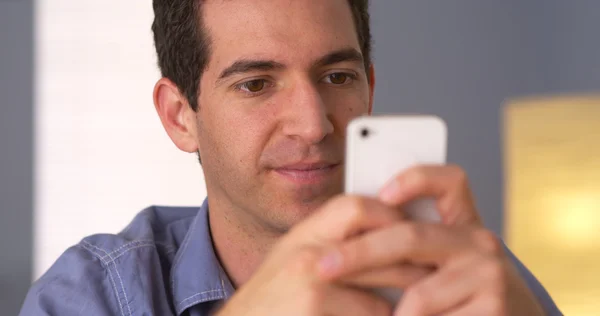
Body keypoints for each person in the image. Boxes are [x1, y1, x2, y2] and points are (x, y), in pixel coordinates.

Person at [20, 1, 562, 315]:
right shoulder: (96, 293)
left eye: (337, 77)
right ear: (180, 116)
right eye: (256, 84)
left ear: (368, 92)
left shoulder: (471, 277)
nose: (314, 124)